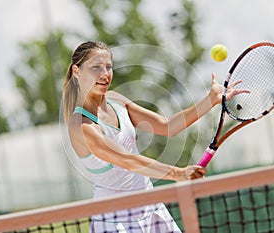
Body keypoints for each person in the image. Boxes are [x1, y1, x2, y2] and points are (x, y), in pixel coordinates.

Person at [62, 41, 247, 232]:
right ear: (77, 71)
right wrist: (178, 173)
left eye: (108, 67)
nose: (104, 74)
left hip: (151, 208)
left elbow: (167, 126)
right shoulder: (80, 124)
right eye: (96, 68)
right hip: (114, 219)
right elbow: (127, 160)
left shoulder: (116, 99)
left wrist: (211, 99)